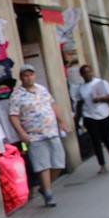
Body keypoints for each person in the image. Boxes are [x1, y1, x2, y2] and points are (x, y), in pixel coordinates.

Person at [7, 64, 70, 208]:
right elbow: (13, 116)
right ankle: (48, 193)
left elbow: (53, 105)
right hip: (34, 135)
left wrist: (61, 121)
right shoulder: (17, 95)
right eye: (25, 75)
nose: (29, 78)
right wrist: (21, 133)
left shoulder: (42, 89)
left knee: (59, 163)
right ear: (21, 77)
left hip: (51, 131)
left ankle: (44, 187)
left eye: (31, 75)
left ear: (34, 76)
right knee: (43, 165)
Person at [76, 63, 109, 173]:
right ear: (81, 75)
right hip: (89, 116)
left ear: (92, 72)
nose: (87, 74)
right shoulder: (81, 88)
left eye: (89, 71)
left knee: (107, 139)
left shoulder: (101, 83)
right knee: (95, 141)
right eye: (84, 73)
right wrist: (77, 119)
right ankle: (102, 164)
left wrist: (101, 98)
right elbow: (80, 104)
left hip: (103, 114)